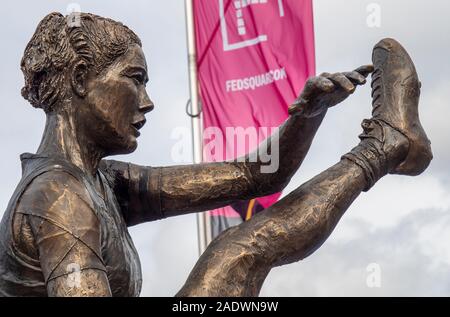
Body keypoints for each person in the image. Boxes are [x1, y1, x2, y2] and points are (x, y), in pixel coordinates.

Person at [0, 12, 432, 297]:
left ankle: (388, 145)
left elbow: (254, 178)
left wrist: (307, 115)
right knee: (237, 250)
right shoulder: (59, 199)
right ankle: (385, 147)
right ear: (79, 79)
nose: (147, 102)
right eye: (136, 79)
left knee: (239, 245)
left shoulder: (102, 182)